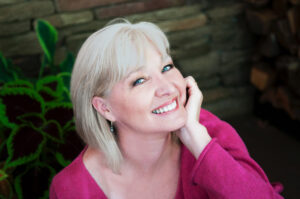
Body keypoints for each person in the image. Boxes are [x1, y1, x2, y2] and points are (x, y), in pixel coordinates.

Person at [50, 19, 284, 199]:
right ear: (105, 108)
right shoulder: (73, 188)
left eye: (166, 67)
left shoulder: (209, 132)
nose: (167, 88)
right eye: (139, 80)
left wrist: (200, 143)